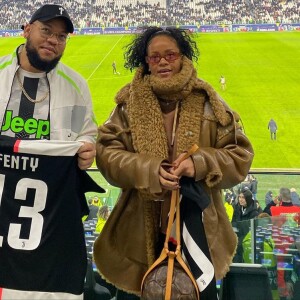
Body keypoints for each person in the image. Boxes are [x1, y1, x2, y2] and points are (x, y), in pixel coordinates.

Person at [93, 26, 254, 299]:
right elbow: (106, 154)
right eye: (155, 57)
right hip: (137, 234)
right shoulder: (126, 105)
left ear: (183, 57)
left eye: (170, 54)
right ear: (145, 60)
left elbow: (240, 157)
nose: (163, 62)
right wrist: (149, 170)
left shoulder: (209, 102)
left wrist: (199, 163)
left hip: (198, 230)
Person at [0, 4, 98, 299]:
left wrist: (88, 149)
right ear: (27, 30)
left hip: (46, 222)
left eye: (61, 36)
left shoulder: (76, 85)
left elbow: (88, 133)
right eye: (46, 31)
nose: (53, 40)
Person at [231, 188, 260, 262]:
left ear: (248, 199)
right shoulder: (237, 208)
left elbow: (250, 228)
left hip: (247, 238)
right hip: (237, 236)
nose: (241, 199)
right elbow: (233, 222)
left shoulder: (254, 212)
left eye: (243, 197)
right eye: (239, 197)